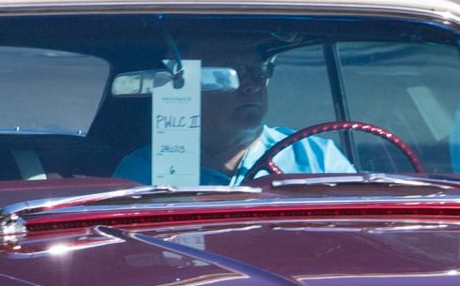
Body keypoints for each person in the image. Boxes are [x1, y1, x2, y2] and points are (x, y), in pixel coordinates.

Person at [112, 39, 355, 186]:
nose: (253, 83)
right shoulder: (144, 172)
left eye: (258, 70)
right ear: (184, 84)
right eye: (229, 71)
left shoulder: (318, 159)